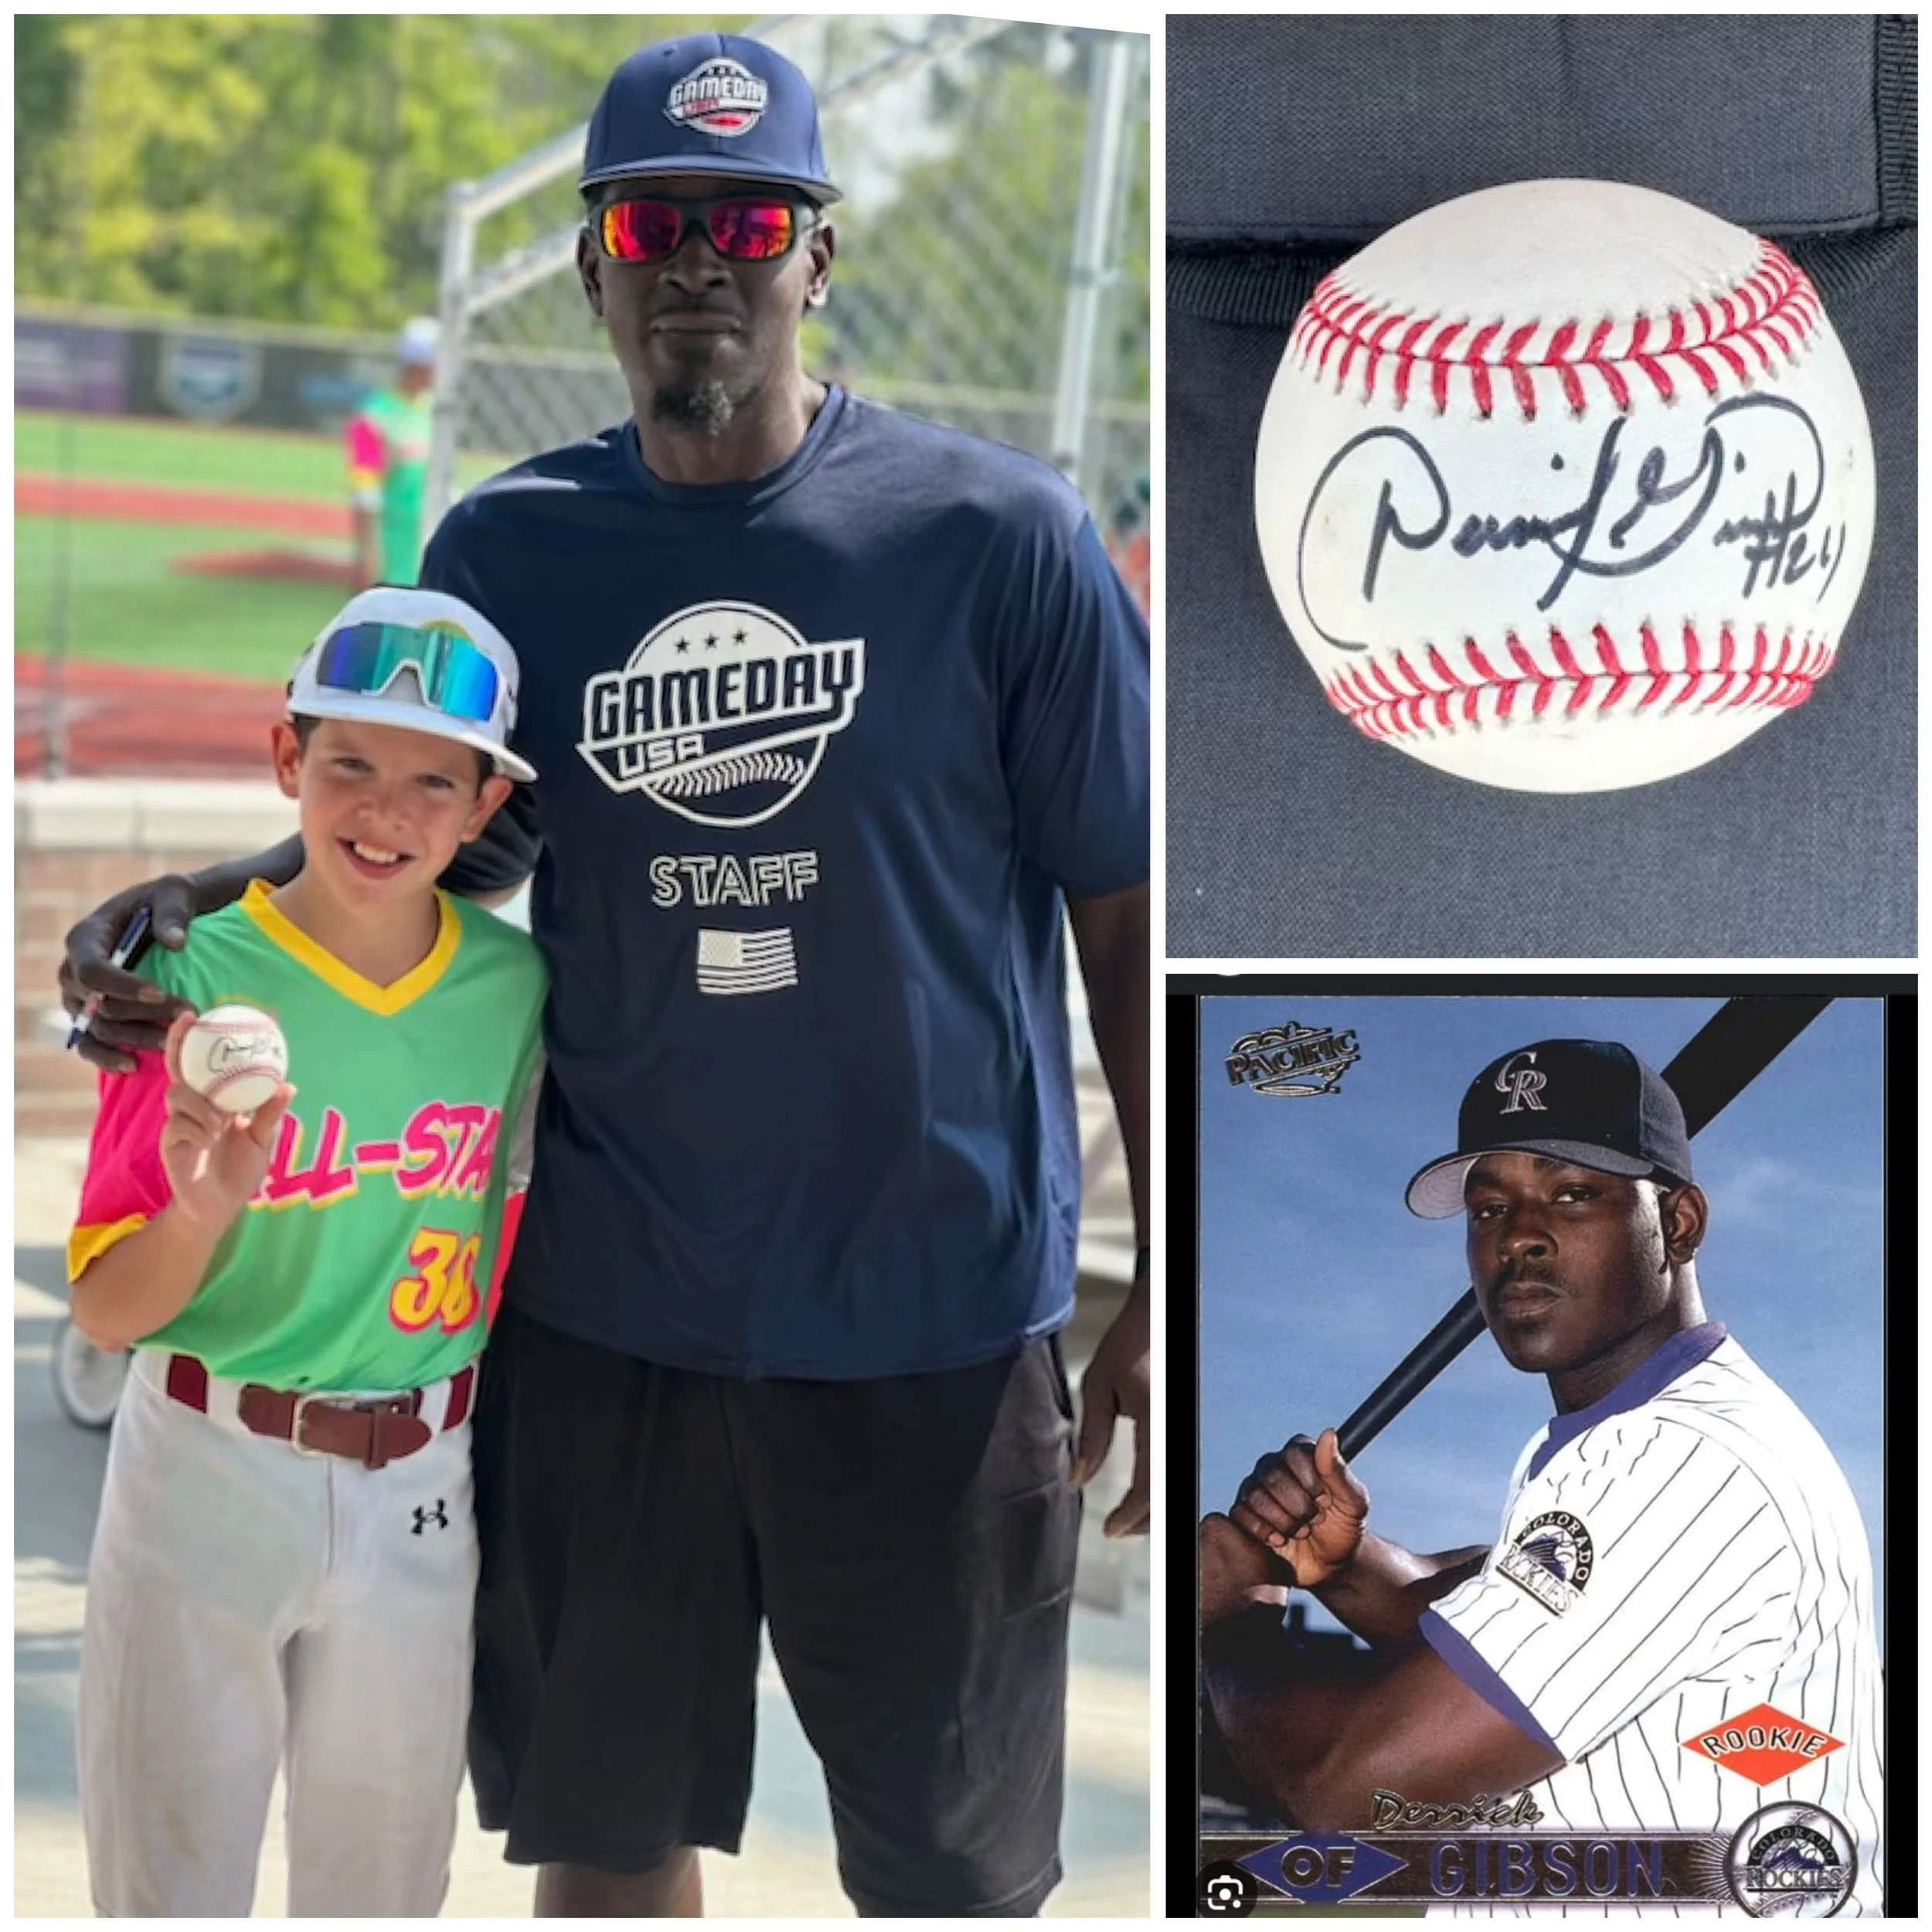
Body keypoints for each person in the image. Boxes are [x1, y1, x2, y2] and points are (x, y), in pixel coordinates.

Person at [61, 29, 1151, 1920]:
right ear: (592, 262)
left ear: (818, 254)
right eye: (655, 220)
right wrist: (192, 900)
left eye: (748, 219)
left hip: (935, 1327)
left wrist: (1183, 1257)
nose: (699, 260)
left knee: (956, 1879)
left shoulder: (1000, 542)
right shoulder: (514, 551)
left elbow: (1122, 909)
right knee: (605, 1842)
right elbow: (412, 825)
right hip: (612, 1319)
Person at [66, 585, 546, 1916]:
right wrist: (206, 1209)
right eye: (349, 763)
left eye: (430, 782)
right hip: (204, 1466)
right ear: (289, 760)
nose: (384, 813)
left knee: (384, 1895)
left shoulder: (518, 995)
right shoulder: (183, 978)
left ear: (485, 806)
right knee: (169, 1890)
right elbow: (107, 1310)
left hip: (421, 1484)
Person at [1199, 1039, 1883, 1913]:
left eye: (1570, 1193)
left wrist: (1229, 1618)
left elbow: (1353, 1791)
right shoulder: (1611, 1438)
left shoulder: (1680, 1460)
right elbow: (1486, 1622)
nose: (1517, 1236)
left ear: (1678, 1223)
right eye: (1488, 1209)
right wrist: (1340, 1561)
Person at [347, 317, 437, 587]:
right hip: (393, 567)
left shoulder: (437, 411)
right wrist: (366, 558)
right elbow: (365, 495)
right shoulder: (372, 418)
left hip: (433, 559)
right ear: (421, 364)